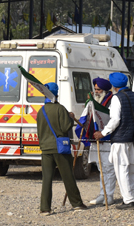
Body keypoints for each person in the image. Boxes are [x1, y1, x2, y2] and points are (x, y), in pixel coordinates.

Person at [94, 73, 134, 210]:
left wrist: (102, 133)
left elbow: (115, 120)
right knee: (132, 170)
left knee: (122, 171)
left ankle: (128, 200)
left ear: (114, 86)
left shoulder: (117, 98)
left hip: (121, 139)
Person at [37, 82, 86, 215]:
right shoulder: (60, 109)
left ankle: (45, 208)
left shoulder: (41, 111)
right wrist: (70, 118)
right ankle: (76, 203)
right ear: (56, 94)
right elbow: (65, 127)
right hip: (60, 148)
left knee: (46, 178)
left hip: (45, 149)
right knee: (68, 176)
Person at [75, 77, 115, 205]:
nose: (96, 92)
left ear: (104, 90)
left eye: (98, 90)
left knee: (108, 169)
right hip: (96, 139)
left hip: (107, 140)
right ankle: (102, 194)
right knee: (100, 168)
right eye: (95, 89)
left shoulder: (112, 101)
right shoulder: (94, 101)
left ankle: (109, 196)